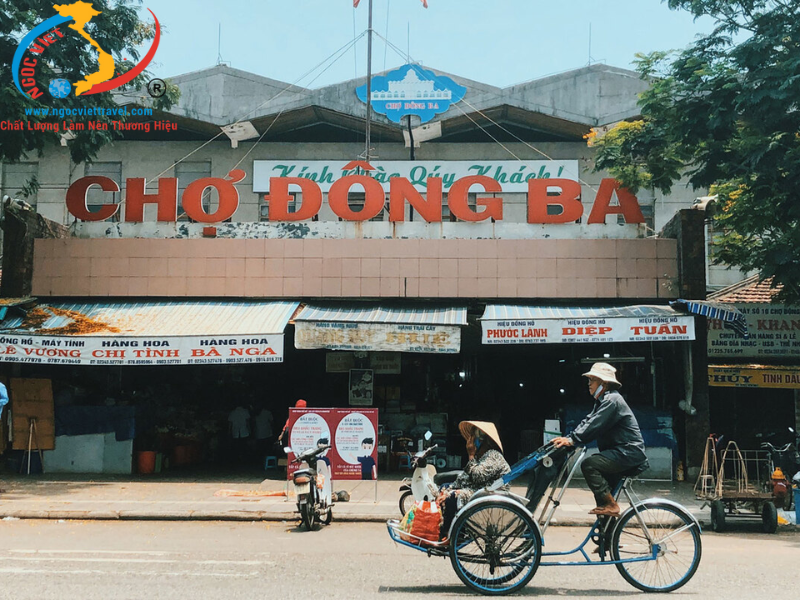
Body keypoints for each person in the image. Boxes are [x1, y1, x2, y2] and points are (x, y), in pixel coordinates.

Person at [552, 362, 648, 517]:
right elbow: (588, 421)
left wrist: (573, 440)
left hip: (627, 453)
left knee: (589, 464)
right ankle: (607, 528)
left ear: (603, 383)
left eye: (592, 380)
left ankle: (611, 505)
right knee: (601, 502)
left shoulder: (612, 400)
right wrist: (569, 438)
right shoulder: (602, 401)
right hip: (620, 453)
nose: (589, 384)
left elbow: (594, 425)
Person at [436, 421, 510, 539]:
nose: (471, 441)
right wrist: (449, 488)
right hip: (480, 490)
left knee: (452, 496)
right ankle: (443, 528)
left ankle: (448, 534)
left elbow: (477, 476)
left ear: (483, 441)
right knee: (444, 487)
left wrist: (470, 455)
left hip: (487, 495)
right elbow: (466, 476)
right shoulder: (481, 456)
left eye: (474, 438)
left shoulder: (493, 455)